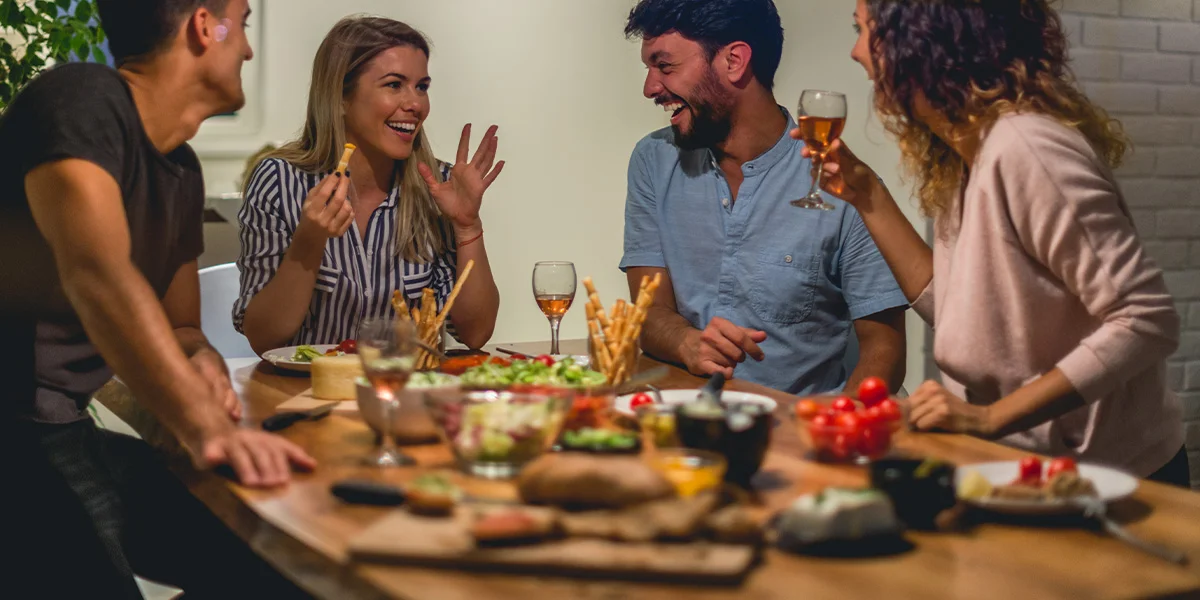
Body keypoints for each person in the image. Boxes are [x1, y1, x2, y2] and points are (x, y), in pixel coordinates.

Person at [0, 0, 316, 596]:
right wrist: (206, 429)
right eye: (241, 23)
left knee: (272, 567)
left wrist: (203, 366)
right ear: (205, 25)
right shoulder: (82, 100)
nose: (247, 47)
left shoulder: (179, 169)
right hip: (15, 436)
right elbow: (98, 274)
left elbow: (184, 330)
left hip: (63, 428)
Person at [805, 0, 1187, 484]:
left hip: (1111, 481)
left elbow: (1146, 320)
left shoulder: (1025, 148)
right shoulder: (966, 151)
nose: (856, 52)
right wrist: (866, 195)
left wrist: (989, 418)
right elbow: (962, 313)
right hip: (1027, 472)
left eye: (863, 30)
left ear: (919, 40)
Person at [620, 0, 909, 395]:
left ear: (734, 61)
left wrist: (837, 431)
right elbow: (647, 313)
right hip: (684, 424)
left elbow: (885, 348)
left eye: (665, 66)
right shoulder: (653, 161)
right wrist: (686, 341)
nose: (650, 87)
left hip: (798, 432)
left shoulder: (845, 185)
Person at [235, 16, 502, 354]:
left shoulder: (439, 187)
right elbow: (264, 337)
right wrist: (308, 243)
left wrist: (468, 228)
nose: (416, 104)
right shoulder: (278, 181)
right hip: (307, 395)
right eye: (394, 85)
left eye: (422, 86)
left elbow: (476, 334)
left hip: (404, 393)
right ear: (341, 97)